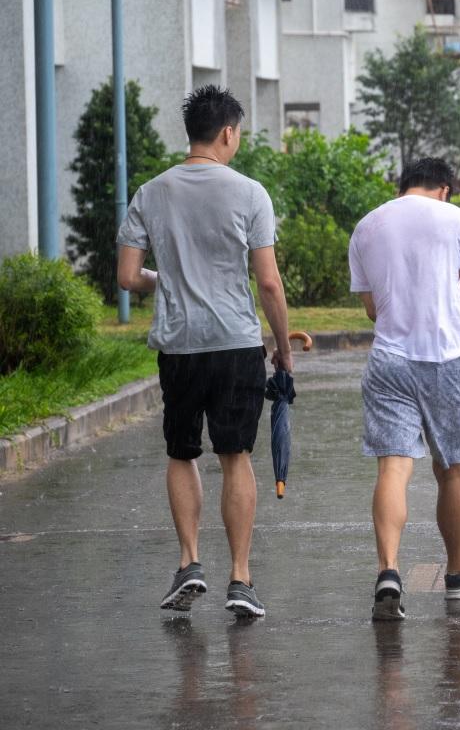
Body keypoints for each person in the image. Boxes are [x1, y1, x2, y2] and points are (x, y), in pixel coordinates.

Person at [117, 85, 290, 619]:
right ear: (228, 133)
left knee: (182, 451)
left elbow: (127, 276)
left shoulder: (150, 193)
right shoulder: (250, 193)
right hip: (236, 342)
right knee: (235, 456)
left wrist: (166, 279)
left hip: (179, 345)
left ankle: (189, 562)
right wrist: (284, 349)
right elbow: (268, 283)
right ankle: (240, 577)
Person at [349, 157, 460, 621]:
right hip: (447, 359)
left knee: (393, 466)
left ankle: (388, 570)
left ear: (403, 186)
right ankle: (456, 574)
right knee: (451, 470)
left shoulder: (367, 227)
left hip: (389, 360)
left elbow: (373, 309)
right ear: (445, 189)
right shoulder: (459, 220)